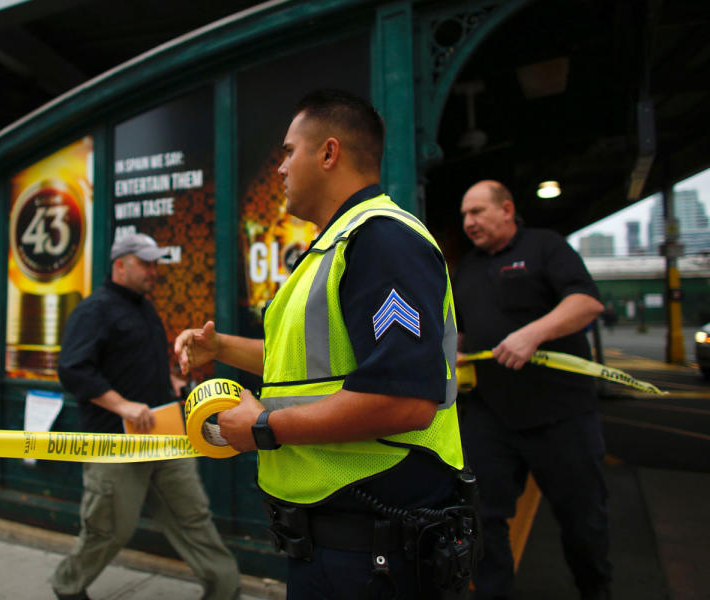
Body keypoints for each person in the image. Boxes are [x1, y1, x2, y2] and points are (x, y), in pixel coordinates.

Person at [175, 89, 476, 599]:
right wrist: (221, 347)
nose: (280, 168)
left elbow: (405, 398)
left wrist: (263, 428)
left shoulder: (382, 240)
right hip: (336, 546)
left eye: (289, 151)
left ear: (329, 153)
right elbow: (311, 369)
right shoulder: (334, 246)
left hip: (373, 551)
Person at [49, 232, 240, 600]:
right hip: (116, 445)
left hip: (166, 436)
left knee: (194, 517)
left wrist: (174, 384)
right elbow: (73, 370)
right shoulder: (93, 310)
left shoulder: (144, 308)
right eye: (146, 263)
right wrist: (123, 405)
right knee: (107, 529)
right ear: (120, 264)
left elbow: (136, 365)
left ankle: (225, 591)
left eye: (156, 263)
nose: (154, 270)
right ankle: (68, 587)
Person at [453, 180, 611, 600]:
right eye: (465, 215)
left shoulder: (546, 247)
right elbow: (461, 332)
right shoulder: (465, 269)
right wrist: (453, 357)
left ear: (507, 209)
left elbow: (587, 302)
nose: (469, 222)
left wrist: (533, 334)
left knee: (583, 522)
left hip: (561, 415)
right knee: (482, 518)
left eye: (478, 212)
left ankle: (596, 590)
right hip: (491, 416)